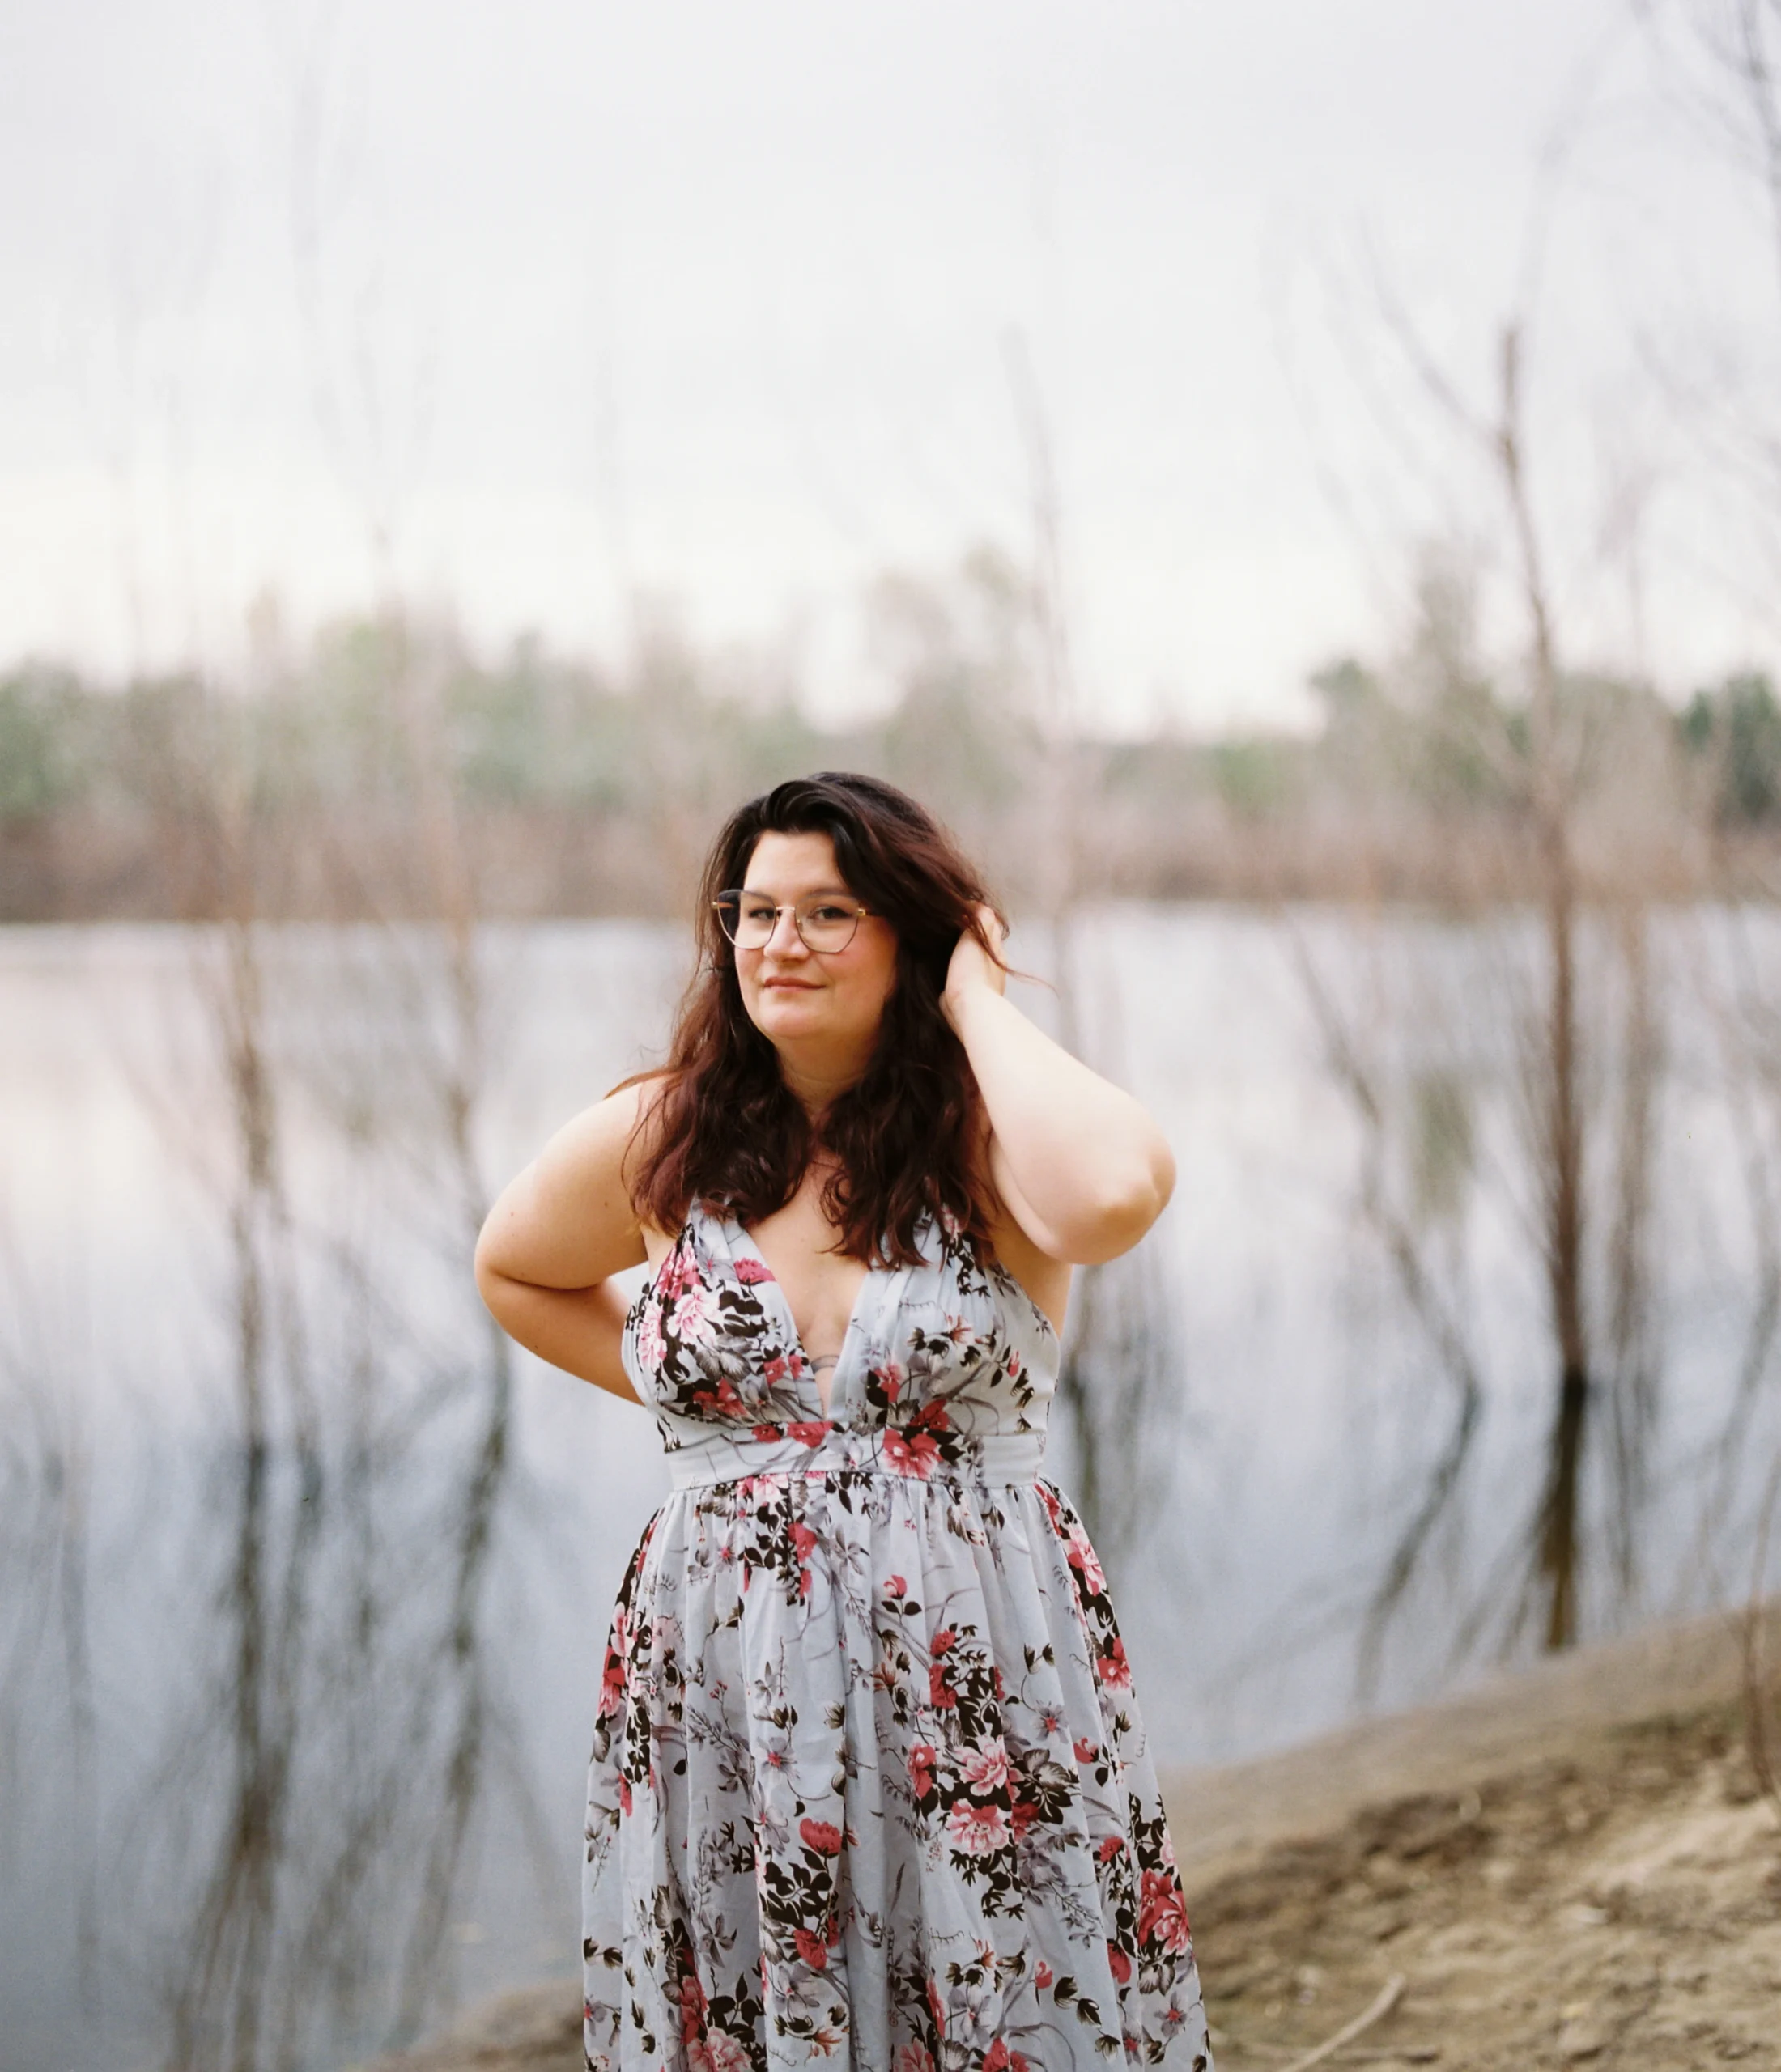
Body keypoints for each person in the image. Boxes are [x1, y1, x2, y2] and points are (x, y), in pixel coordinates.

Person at [475, 772, 1213, 2072]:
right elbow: (514, 1270)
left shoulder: (986, 1136)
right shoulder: (666, 1135)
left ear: (910, 938)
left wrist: (977, 994)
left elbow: (1109, 1198)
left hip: (972, 1654)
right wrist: (718, 1422)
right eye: (754, 911)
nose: (779, 943)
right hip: (726, 1667)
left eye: (829, 912)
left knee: (996, 1991)